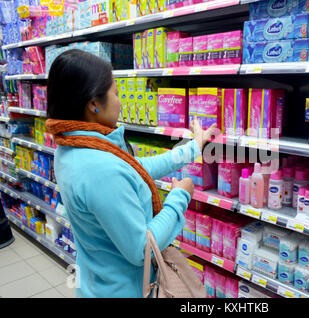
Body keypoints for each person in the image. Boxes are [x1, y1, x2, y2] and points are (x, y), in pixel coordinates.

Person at [45, 49, 216, 298]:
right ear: (93, 104)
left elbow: (134, 170)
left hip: (98, 282)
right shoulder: (99, 169)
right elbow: (140, 250)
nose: (120, 101)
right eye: (115, 93)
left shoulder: (73, 147)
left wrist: (192, 148)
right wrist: (179, 198)